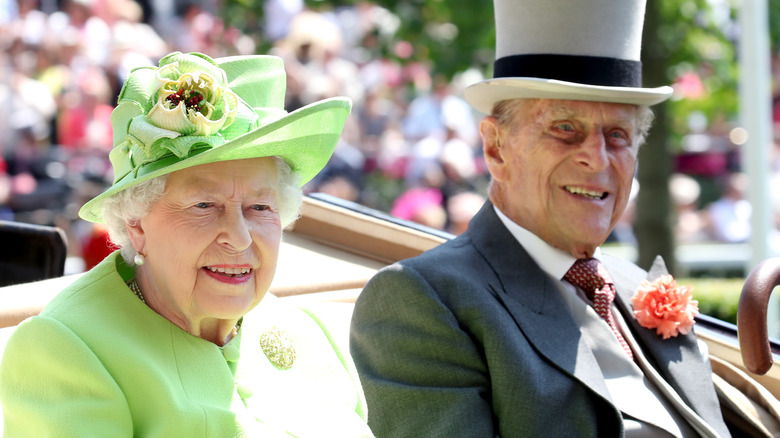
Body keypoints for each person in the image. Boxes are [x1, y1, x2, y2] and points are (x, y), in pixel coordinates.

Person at [350, 1, 731, 437]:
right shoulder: (422, 301)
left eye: (618, 135)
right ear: (496, 148)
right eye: (565, 129)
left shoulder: (631, 285)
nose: (597, 158)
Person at [0, 51, 373, 437]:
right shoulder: (65, 351)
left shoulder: (309, 332)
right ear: (136, 222)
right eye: (204, 205)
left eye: (260, 206)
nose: (240, 236)